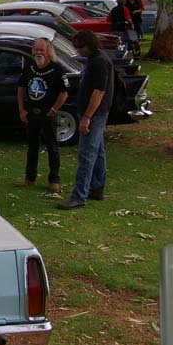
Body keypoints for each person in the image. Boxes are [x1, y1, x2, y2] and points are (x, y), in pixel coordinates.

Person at [59, 30, 114, 210]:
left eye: (81, 47)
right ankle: (96, 187)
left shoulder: (100, 62)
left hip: (94, 114)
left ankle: (79, 196)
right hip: (91, 113)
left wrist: (87, 117)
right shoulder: (93, 59)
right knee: (98, 152)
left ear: (90, 44)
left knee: (86, 155)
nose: (79, 50)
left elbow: (99, 92)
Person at [17, 39, 69, 194]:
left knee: (52, 147)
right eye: (36, 50)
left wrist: (54, 109)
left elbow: (64, 93)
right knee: (32, 147)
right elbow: (21, 88)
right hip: (32, 113)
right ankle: (30, 178)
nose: (39, 53)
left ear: (48, 51)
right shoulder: (29, 67)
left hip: (48, 114)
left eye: (42, 50)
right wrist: (21, 109)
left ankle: (54, 180)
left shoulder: (57, 69)